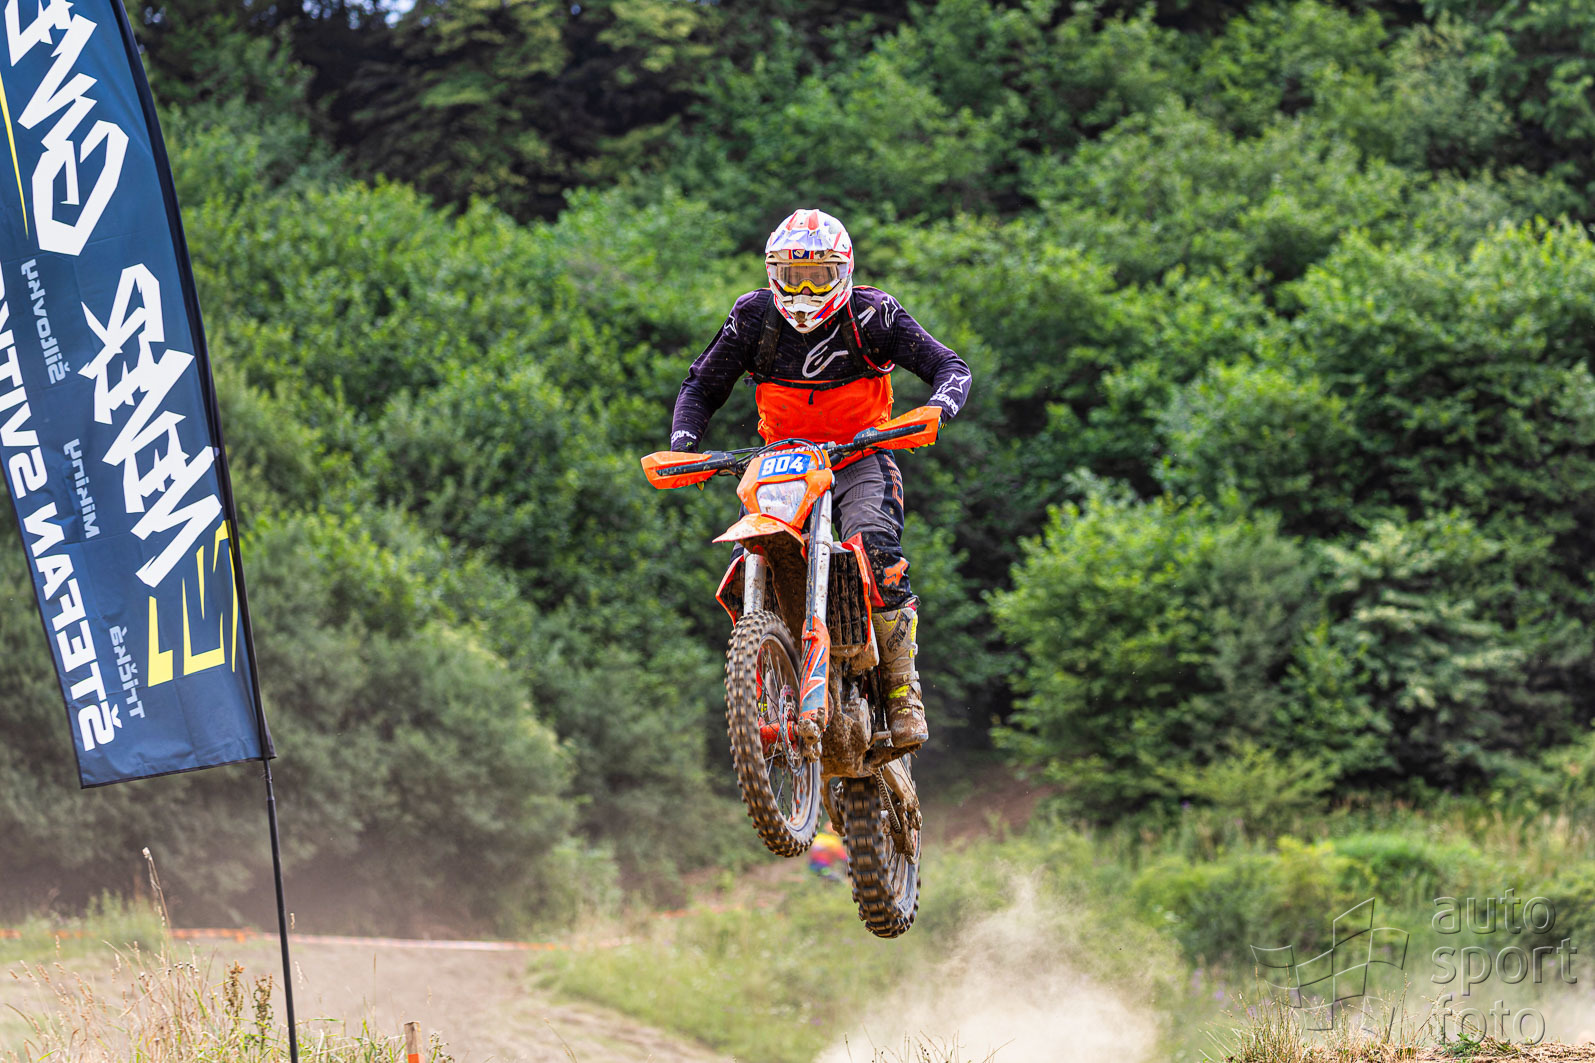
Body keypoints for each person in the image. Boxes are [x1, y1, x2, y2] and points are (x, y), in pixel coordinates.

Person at [670, 208, 972, 751]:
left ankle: (902, 688)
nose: (805, 292)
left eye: (819, 277)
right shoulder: (753, 317)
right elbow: (701, 386)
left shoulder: (873, 315)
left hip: (861, 453)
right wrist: (684, 446)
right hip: (781, 459)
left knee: (876, 549)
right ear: (772, 275)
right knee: (751, 554)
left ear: (845, 271)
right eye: (793, 277)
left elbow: (951, 368)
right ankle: (764, 671)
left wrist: (936, 410)